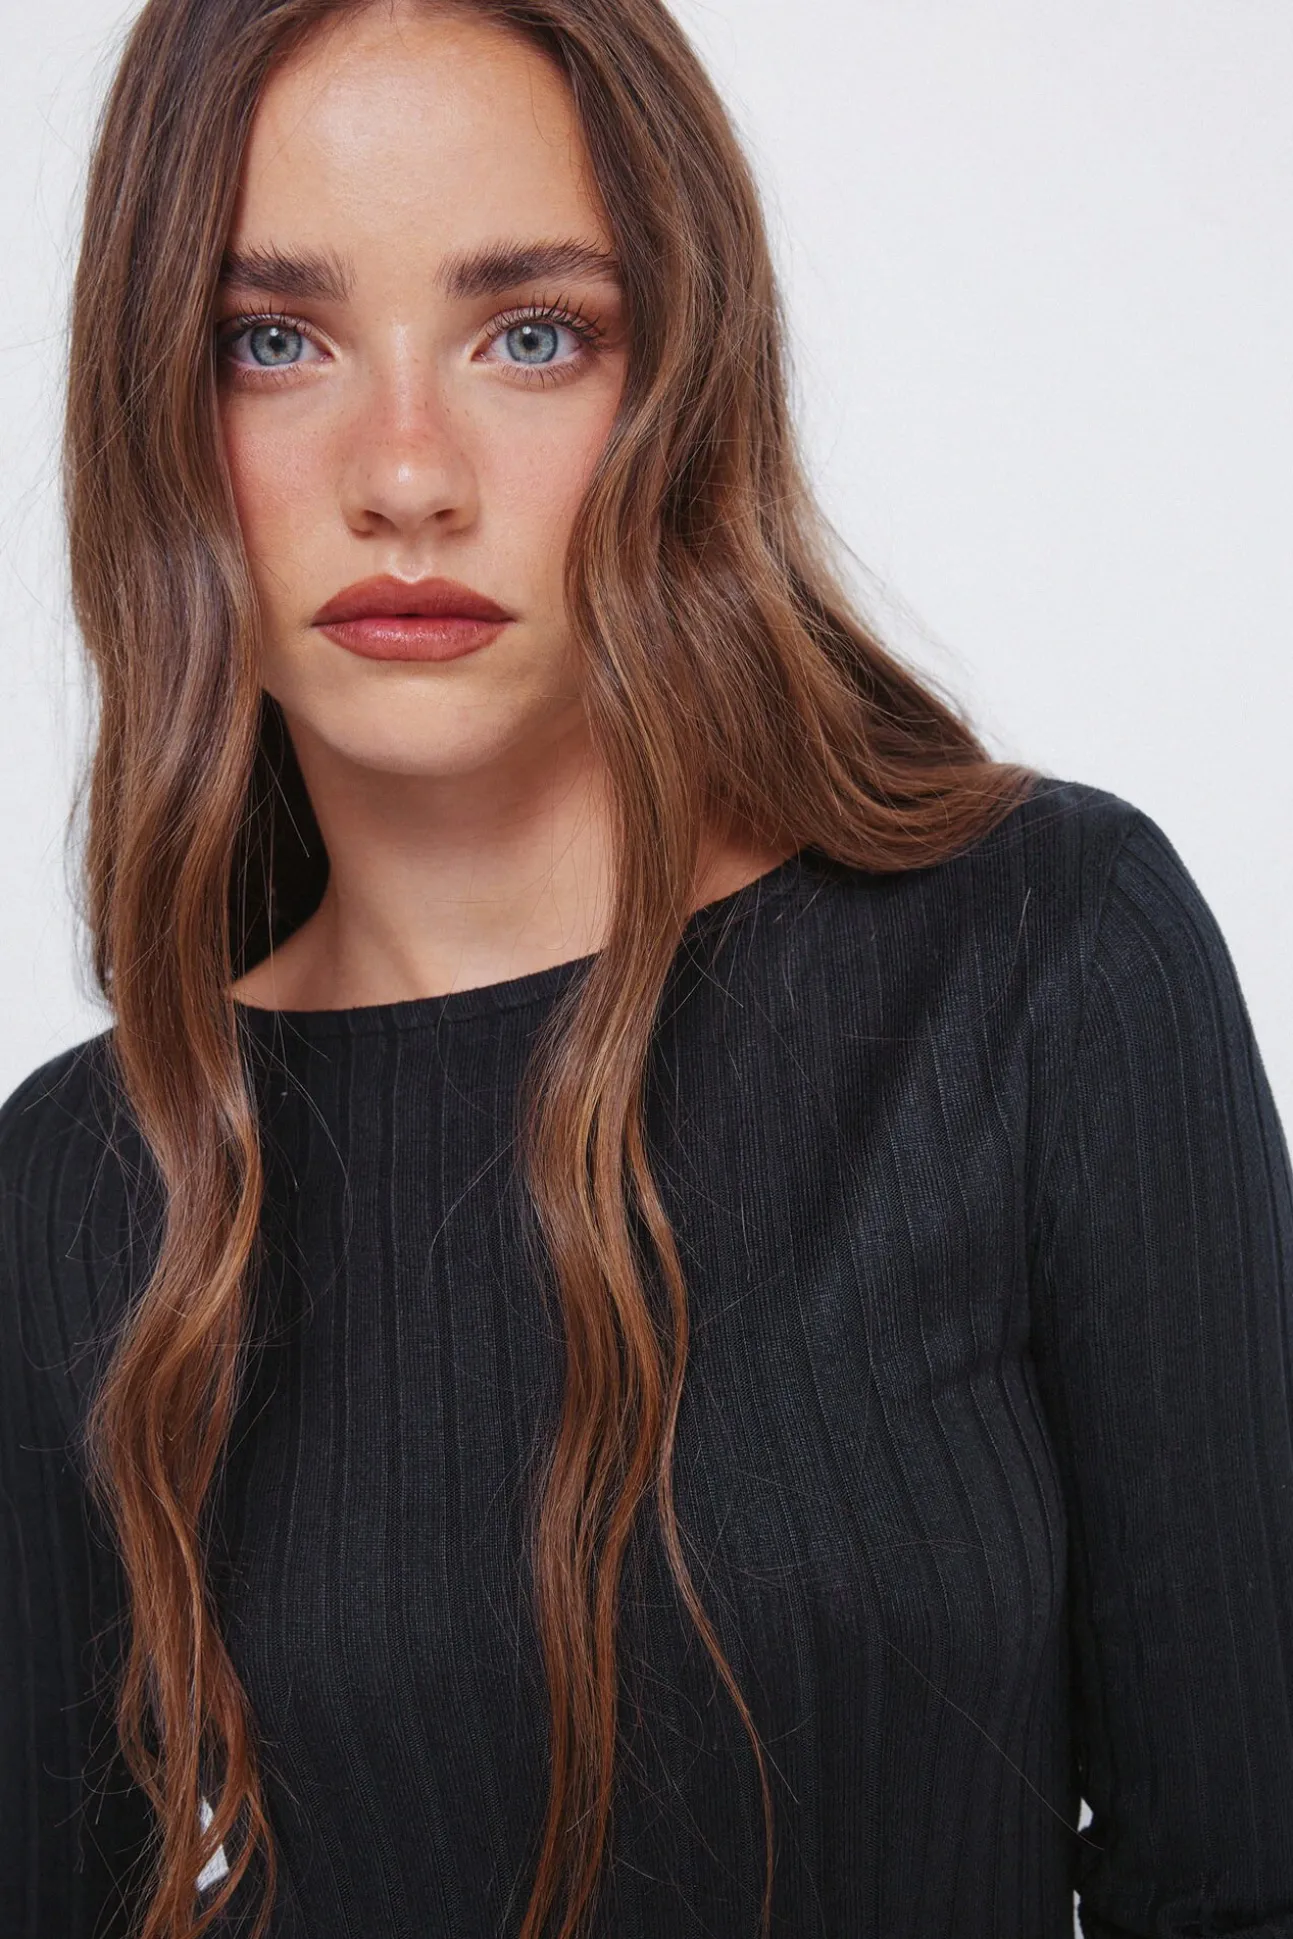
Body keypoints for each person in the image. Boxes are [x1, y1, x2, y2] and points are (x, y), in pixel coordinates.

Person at [2, 0, 1290, 1935]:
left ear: (680, 386)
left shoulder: (1044, 962)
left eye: (531, 335)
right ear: (156, 417)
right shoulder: (76, 1191)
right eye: (275, 340)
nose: (407, 473)